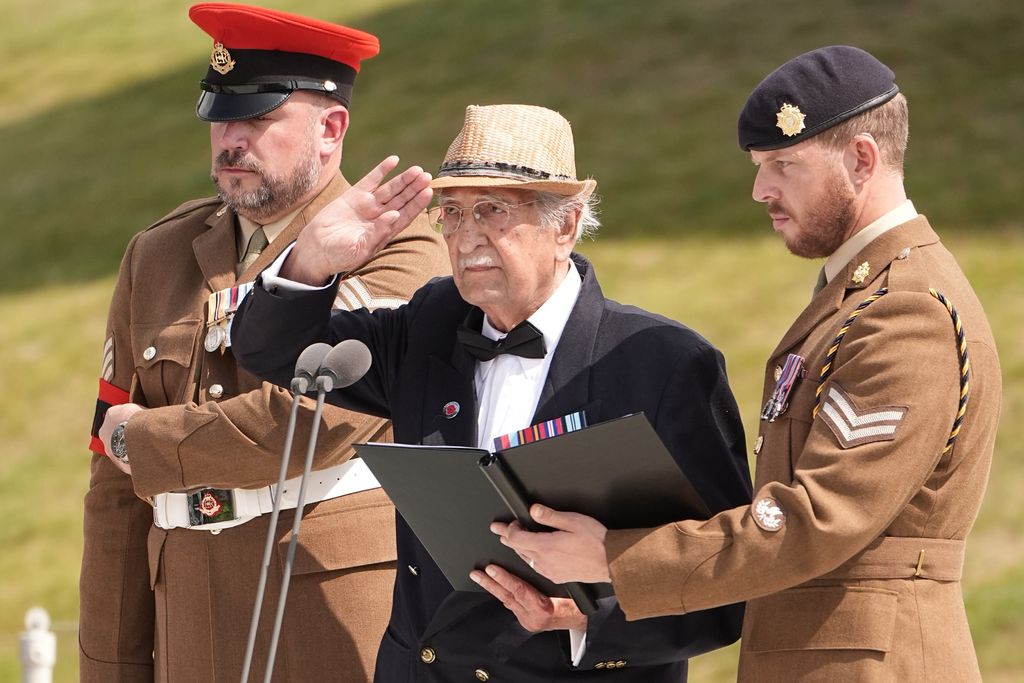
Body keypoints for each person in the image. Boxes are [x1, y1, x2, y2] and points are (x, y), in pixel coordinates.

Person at [493, 46, 1003, 681]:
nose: (761, 189)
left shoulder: (906, 312)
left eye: (784, 165)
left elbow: (817, 519)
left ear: (863, 159)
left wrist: (616, 557)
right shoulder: (861, 294)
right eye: (761, 166)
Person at [231, 103, 753, 681]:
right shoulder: (429, 325)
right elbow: (277, 355)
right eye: (450, 214)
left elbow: (730, 581)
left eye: (492, 210)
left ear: (566, 225)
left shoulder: (663, 363)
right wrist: (311, 257)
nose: (465, 236)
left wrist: (581, 619)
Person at [80, 4, 449, 681]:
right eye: (221, 116)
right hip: (188, 631)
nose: (230, 139)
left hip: (332, 624)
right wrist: (111, 668)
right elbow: (112, 495)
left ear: (331, 128)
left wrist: (145, 441)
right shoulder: (155, 256)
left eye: (258, 118)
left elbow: (313, 419)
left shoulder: (399, 248)